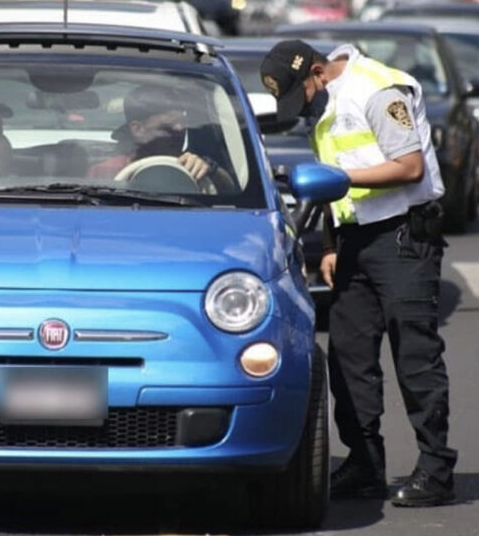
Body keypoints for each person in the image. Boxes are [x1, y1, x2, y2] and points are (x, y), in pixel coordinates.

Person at [260, 40, 457, 507]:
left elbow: (409, 166)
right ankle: (365, 463)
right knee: (348, 358)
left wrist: (347, 180)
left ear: (316, 71)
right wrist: (330, 244)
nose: (303, 105)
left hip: (403, 237)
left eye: (302, 93)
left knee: (415, 357)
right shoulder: (326, 104)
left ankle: (436, 468)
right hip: (354, 241)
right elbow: (332, 179)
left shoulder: (377, 87)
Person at [88, 83, 232, 190]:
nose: (180, 129)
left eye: (182, 123)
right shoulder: (104, 171)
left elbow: (231, 195)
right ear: (138, 129)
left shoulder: (192, 168)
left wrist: (210, 169)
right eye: (168, 126)